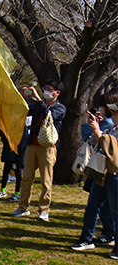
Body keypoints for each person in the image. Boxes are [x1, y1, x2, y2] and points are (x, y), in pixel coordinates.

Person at [11, 79, 67, 222]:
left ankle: (44, 210)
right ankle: (23, 207)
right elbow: (26, 111)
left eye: (49, 89)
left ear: (57, 93)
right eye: (45, 88)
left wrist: (38, 99)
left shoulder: (60, 108)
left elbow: (50, 115)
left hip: (48, 147)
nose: (46, 91)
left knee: (46, 180)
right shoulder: (38, 106)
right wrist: (23, 97)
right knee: (26, 178)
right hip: (32, 145)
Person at [71, 93, 118, 252]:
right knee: (92, 206)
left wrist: (99, 134)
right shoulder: (112, 127)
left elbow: (112, 150)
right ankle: (86, 239)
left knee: (115, 211)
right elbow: (91, 141)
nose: (113, 114)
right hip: (102, 173)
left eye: (116, 112)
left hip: (114, 175)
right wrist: (93, 128)